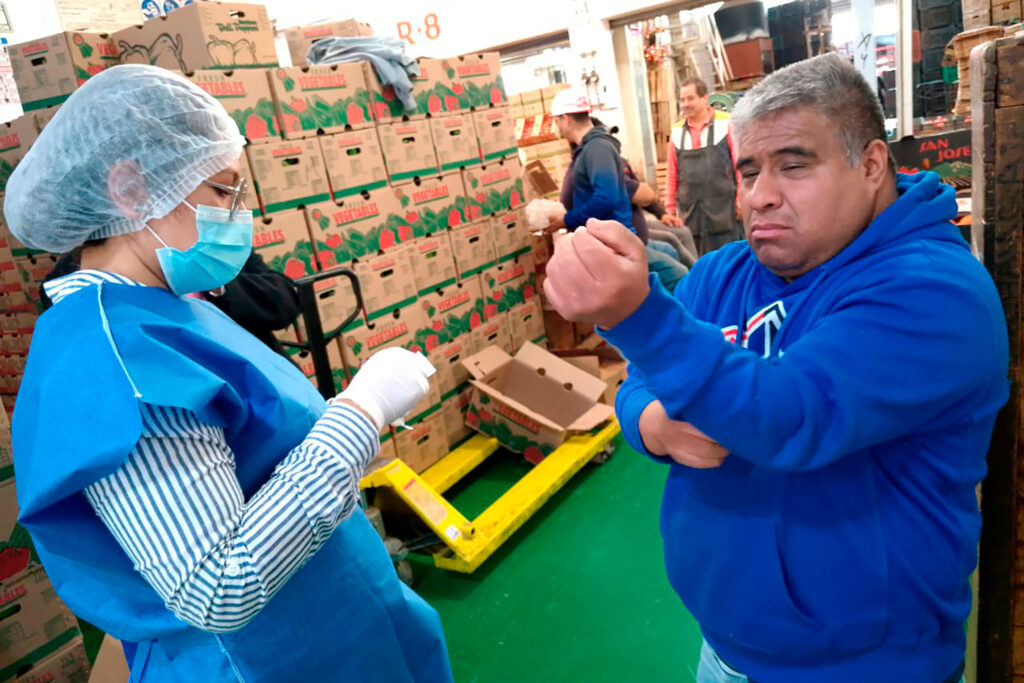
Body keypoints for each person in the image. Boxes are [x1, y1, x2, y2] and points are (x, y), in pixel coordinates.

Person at [542, 54, 1006, 682]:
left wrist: (637, 316)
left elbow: (792, 415)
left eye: (793, 165)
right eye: (749, 170)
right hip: (726, 646)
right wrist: (652, 423)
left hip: (866, 664)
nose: (760, 196)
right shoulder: (721, 273)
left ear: (870, 166)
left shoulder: (934, 291)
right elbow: (645, 381)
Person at [6, 65, 453, 682]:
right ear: (131, 189)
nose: (238, 215)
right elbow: (218, 584)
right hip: (265, 660)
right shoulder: (114, 358)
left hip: (327, 623)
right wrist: (361, 411)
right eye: (223, 191)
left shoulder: (166, 307)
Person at [40, 250, 301, 358]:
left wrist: (216, 284)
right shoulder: (68, 286)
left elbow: (284, 300)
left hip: (270, 396)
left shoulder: (215, 246)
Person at [549, 89, 687, 293]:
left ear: (565, 118)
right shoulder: (588, 149)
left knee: (679, 278)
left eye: (557, 121)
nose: (558, 128)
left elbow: (606, 197)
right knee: (671, 267)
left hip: (614, 246)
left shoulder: (597, 149)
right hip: (608, 243)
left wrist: (569, 219)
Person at [664, 77, 744, 255]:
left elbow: (739, 164)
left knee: (730, 256)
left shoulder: (726, 124)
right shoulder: (677, 132)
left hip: (724, 210)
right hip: (690, 211)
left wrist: (741, 198)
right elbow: (672, 173)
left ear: (704, 98)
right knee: (698, 260)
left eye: (690, 98)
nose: (685, 104)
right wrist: (669, 208)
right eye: (682, 99)